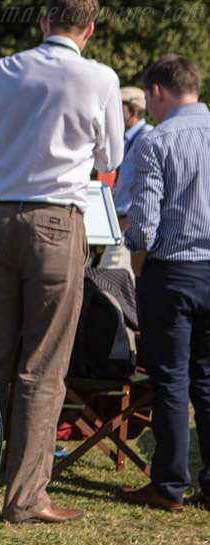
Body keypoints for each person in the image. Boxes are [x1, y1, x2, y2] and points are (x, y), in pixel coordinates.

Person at [0, 0, 123, 523]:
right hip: (58, 224)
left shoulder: (2, 70)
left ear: (42, 22)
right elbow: (111, 162)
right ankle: (25, 497)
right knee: (43, 366)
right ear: (90, 27)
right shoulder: (100, 78)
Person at [120, 54, 210, 513]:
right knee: (208, 379)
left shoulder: (157, 140)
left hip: (172, 270)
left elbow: (144, 225)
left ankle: (169, 484)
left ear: (157, 91)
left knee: (171, 379)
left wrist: (131, 246)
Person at [100, 86, 154, 273]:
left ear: (134, 111)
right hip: (118, 226)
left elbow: (151, 192)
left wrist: (125, 224)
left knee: (108, 290)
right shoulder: (127, 139)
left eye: (118, 106)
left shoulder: (147, 138)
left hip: (128, 228)